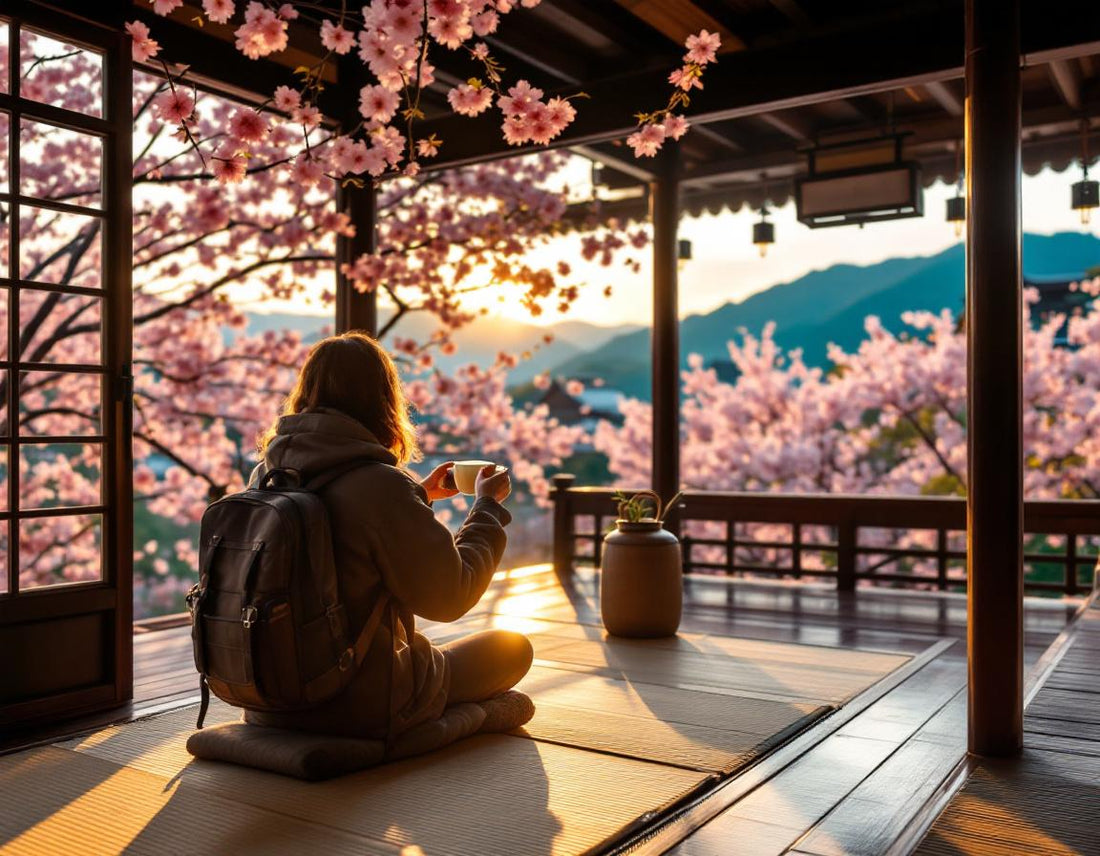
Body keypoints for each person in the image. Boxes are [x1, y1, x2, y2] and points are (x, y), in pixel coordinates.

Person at [244, 332, 533, 739]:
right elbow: (451, 596)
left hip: (268, 699)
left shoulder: (265, 476)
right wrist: (486, 509)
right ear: (383, 399)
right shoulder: (380, 486)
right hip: (362, 699)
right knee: (512, 648)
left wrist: (419, 495)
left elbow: (343, 525)